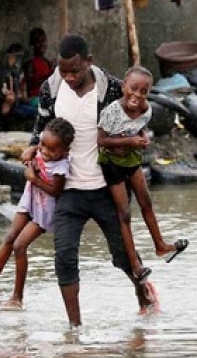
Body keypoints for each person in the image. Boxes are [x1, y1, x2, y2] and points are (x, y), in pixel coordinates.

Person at [22, 34, 158, 327]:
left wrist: (140, 138)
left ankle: (144, 297)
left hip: (106, 187)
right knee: (64, 259)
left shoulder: (111, 89)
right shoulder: (52, 87)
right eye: (63, 70)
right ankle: (75, 328)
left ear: (89, 62)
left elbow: (137, 117)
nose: (69, 77)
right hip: (69, 190)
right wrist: (33, 145)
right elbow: (42, 123)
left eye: (75, 70)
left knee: (122, 257)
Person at [97, 65, 188, 284]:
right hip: (112, 164)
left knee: (146, 202)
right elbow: (101, 140)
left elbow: (139, 127)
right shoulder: (111, 111)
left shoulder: (146, 110)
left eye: (143, 91)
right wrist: (130, 141)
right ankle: (135, 266)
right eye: (133, 88)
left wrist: (142, 138)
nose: (137, 95)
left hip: (131, 160)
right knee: (125, 214)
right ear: (123, 87)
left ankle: (161, 246)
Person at [0, 117, 75, 311]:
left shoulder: (60, 167)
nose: (45, 152)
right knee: (9, 237)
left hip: (45, 210)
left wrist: (34, 178)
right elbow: (29, 152)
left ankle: (17, 296)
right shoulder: (41, 146)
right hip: (29, 198)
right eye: (43, 145)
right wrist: (32, 149)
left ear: (65, 151)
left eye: (51, 150)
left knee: (20, 246)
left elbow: (56, 192)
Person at [0, 43, 36, 130]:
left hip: (18, 102)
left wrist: (23, 97)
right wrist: (8, 92)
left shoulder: (18, 72)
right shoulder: (5, 70)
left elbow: (22, 90)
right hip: (10, 103)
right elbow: (3, 87)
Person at [24, 27, 54, 107]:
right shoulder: (30, 63)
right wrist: (48, 76)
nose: (42, 44)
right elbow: (30, 84)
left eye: (43, 41)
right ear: (33, 45)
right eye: (38, 42)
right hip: (35, 98)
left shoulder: (47, 63)